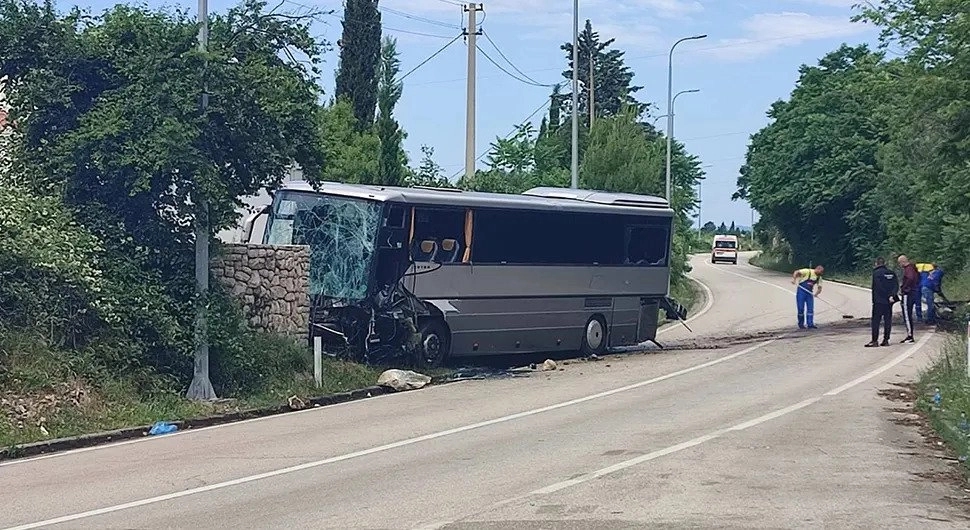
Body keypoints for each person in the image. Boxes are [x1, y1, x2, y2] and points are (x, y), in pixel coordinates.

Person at [866, 257, 899, 347]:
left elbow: (879, 286)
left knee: (876, 321)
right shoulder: (891, 273)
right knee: (888, 320)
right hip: (890, 301)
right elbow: (896, 285)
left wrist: (886, 295)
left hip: (879, 300)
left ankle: (874, 340)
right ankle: (886, 340)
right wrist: (891, 295)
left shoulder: (876, 273)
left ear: (876, 263)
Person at [791, 265, 824, 329]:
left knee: (810, 309)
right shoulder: (807, 271)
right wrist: (794, 280)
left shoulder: (819, 277)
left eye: (822, 272)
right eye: (820, 272)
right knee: (800, 308)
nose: (821, 273)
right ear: (817, 269)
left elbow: (820, 288)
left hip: (809, 293)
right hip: (801, 292)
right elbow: (796, 272)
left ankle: (810, 324)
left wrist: (816, 294)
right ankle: (801, 324)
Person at [897, 255, 918, 343]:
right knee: (908, 314)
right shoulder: (913, 268)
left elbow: (910, 278)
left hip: (908, 294)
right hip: (913, 292)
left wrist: (904, 288)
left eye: (899, 263)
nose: (899, 265)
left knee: (907, 314)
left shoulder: (908, 269)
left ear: (902, 262)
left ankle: (910, 335)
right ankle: (909, 334)